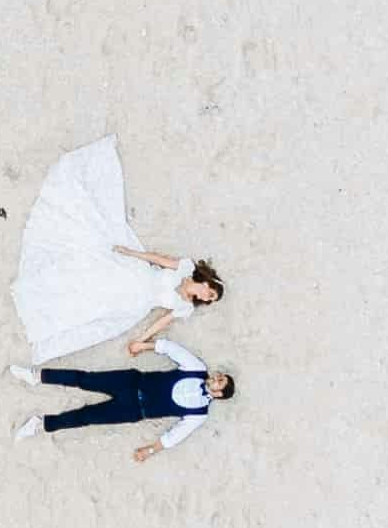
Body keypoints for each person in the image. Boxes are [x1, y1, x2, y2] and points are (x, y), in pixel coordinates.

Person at [16, 136, 232, 362]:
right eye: (211, 294)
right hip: (136, 274)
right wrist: (131, 253)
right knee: (86, 272)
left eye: (210, 300)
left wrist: (142, 341)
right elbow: (158, 259)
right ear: (208, 283)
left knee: (92, 301)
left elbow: (161, 322)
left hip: (136, 302)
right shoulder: (186, 268)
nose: (207, 298)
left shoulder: (185, 308)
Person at [37, 344, 233, 465]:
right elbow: (172, 349)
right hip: (132, 381)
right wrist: (143, 345)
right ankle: (38, 376)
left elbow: (175, 436)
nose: (216, 376)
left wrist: (148, 451)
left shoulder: (200, 413)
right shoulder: (198, 368)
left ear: (219, 394)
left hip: (133, 410)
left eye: (219, 381)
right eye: (220, 375)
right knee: (85, 379)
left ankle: (43, 424)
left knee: (87, 417)